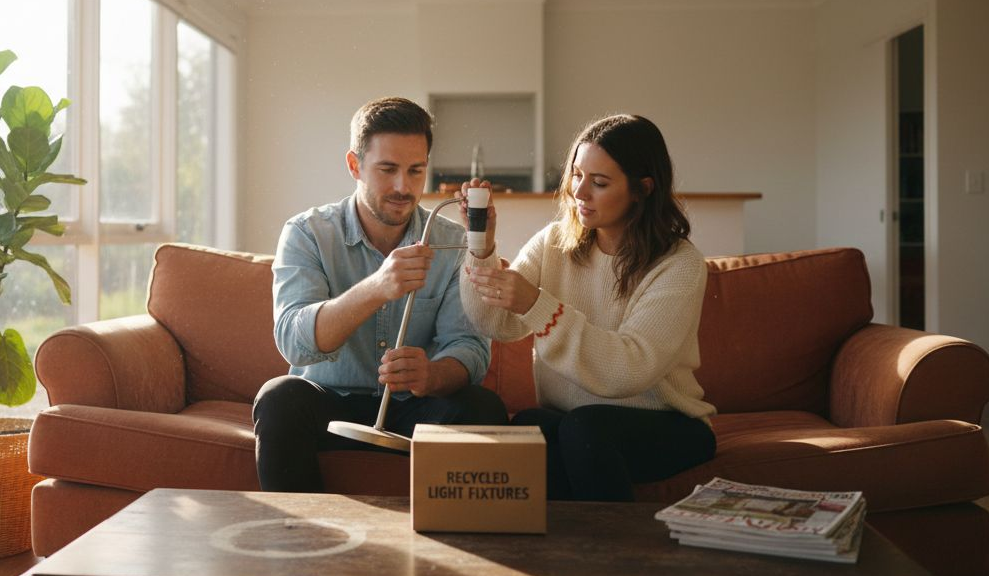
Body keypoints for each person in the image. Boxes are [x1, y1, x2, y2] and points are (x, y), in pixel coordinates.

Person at [254, 96, 509, 492]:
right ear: (354, 165)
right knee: (279, 399)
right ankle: (300, 547)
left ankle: (459, 552)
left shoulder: (452, 242)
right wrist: (376, 287)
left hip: (415, 408)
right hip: (330, 401)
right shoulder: (307, 233)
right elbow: (294, 342)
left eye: (415, 171)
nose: (403, 187)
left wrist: (433, 374)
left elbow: (470, 348)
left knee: (482, 407)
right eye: (387, 169)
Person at [458, 114, 716, 501]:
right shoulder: (555, 242)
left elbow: (627, 371)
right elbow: (496, 323)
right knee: (531, 427)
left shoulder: (678, 265)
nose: (580, 192)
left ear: (642, 189)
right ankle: (559, 554)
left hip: (668, 424)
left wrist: (538, 306)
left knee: (584, 429)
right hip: (578, 423)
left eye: (599, 183)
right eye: (576, 175)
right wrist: (481, 247)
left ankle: (612, 555)